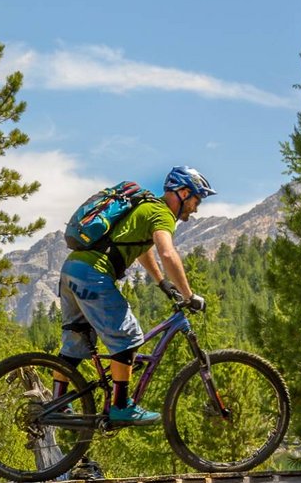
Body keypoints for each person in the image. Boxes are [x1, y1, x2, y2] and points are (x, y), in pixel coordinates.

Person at [59, 165, 212, 427]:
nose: (195, 208)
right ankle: (120, 406)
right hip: (93, 274)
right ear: (184, 192)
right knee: (128, 335)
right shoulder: (162, 213)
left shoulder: (146, 207)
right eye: (196, 200)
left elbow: (143, 250)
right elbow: (167, 253)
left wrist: (162, 282)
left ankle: (57, 403)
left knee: (77, 340)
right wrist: (189, 295)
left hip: (72, 270)